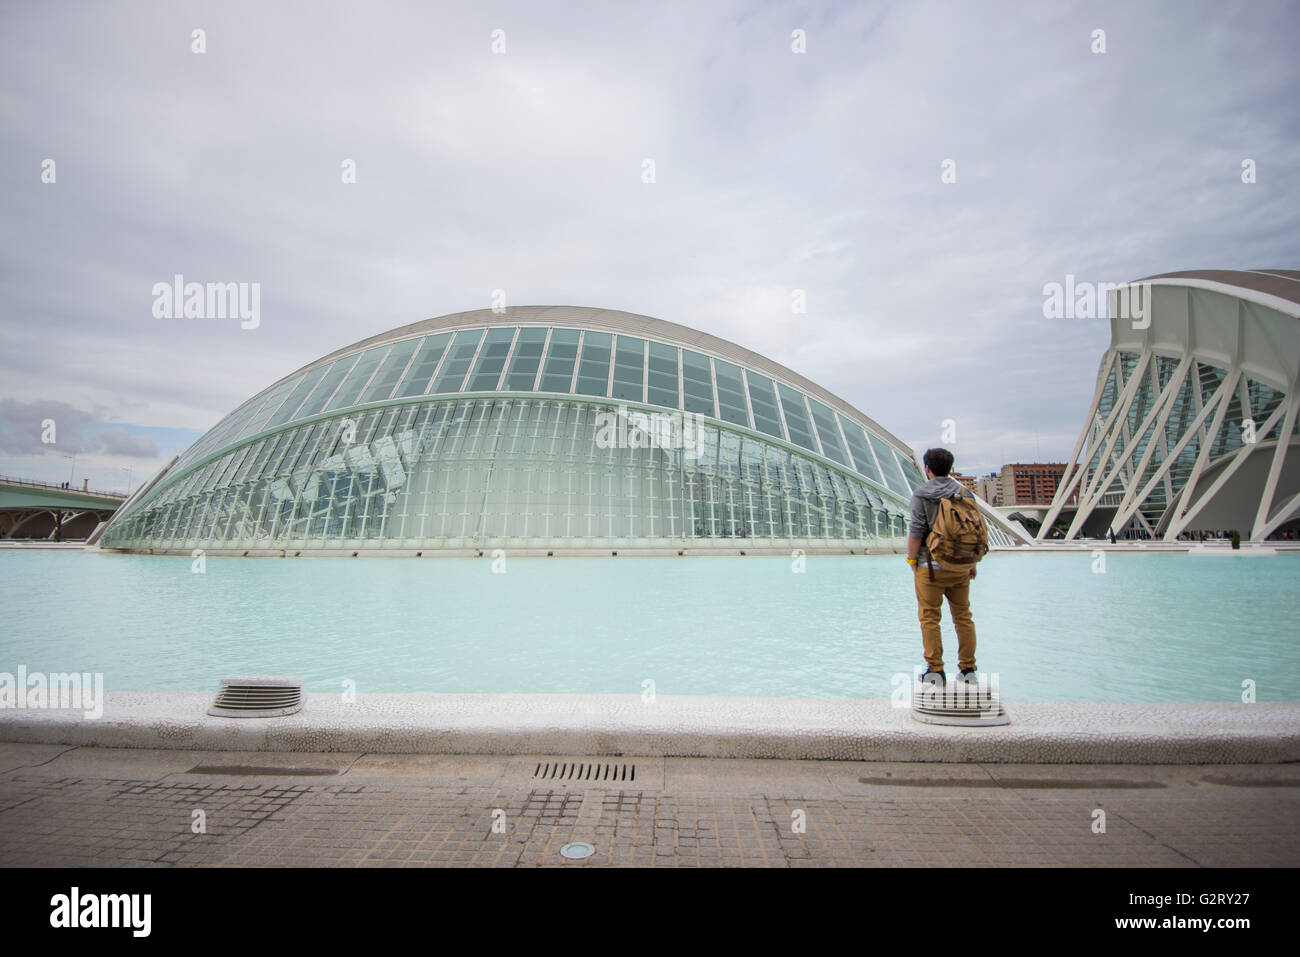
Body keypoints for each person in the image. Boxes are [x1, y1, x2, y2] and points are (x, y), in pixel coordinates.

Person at [906, 447, 977, 689]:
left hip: (931, 567)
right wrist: (972, 563)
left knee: (929, 618)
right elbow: (973, 531)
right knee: (964, 618)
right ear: (950, 468)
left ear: (927, 469)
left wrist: (912, 560)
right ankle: (968, 670)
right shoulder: (965, 492)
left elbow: (916, 532)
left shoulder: (922, 494)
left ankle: (935, 671)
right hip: (961, 567)